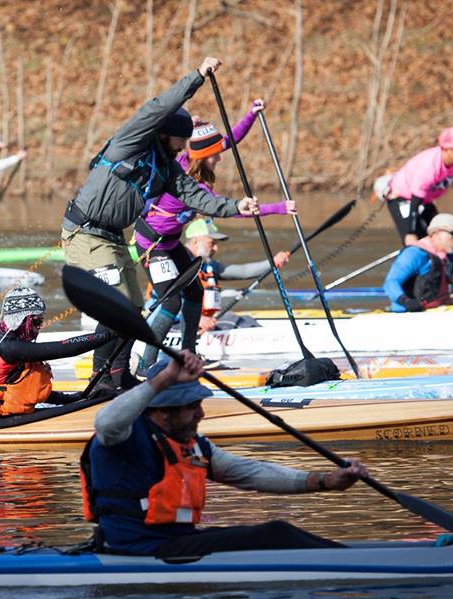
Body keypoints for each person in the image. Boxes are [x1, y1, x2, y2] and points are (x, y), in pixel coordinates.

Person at [61, 57, 258, 392]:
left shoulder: (167, 168)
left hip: (111, 238)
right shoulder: (132, 141)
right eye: (180, 140)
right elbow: (159, 106)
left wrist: (235, 206)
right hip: (84, 233)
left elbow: (197, 197)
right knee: (115, 307)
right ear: (166, 134)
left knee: (133, 308)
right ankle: (100, 381)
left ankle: (117, 375)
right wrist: (196, 77)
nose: (185, 147)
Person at [80, 351, 370, 557]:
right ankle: (355, 564)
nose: (200, 413)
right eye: (192, 406)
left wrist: (325, 481)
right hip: (136, 549)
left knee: (278, 532)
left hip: (175, 542)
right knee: (275, 533)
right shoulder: (124, 437)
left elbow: (251, 473)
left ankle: (349, 557)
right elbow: (104, 422)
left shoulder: (192, 445)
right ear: (162, 412)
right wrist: (162, 380)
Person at [134, 101, 295, 367]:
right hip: (152, 245)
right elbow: (230, 210)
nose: (219, 158)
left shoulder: (192, 158)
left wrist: (251, 115)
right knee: (172, 302)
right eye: (214, 155)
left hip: (172, 244)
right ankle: (145, 363)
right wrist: (279, 208)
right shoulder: (189, 183)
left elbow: (229, 140)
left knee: (195, 293)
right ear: (201, 157)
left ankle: (187, 354)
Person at [0, 286, 117, 416]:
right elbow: (64, 348)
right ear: (21, 320)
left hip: (0, 409)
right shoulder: (9, 347)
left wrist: (74, 398)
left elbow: (28, 387)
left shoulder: (8, 342)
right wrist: (110, 334)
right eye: (37, 321)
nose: (40, 326)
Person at [378, 126, 453, 245]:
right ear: (446, 149)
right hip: (401, 197)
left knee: (441, 237)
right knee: (416, 242)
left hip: (424, 200)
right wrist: (410, 233)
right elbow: (416, 201)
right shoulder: (428, 166)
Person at [184, 218, 290, 332]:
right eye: (212, 243)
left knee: (247, 320)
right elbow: (168, 301)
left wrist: (272, 263)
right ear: (195, 241)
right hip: (181, 323)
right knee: (237, 322)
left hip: (207, 320)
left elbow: (244, 271)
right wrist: (199, 318)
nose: (216, 248)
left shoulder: (207, 265)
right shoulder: (178, 264)